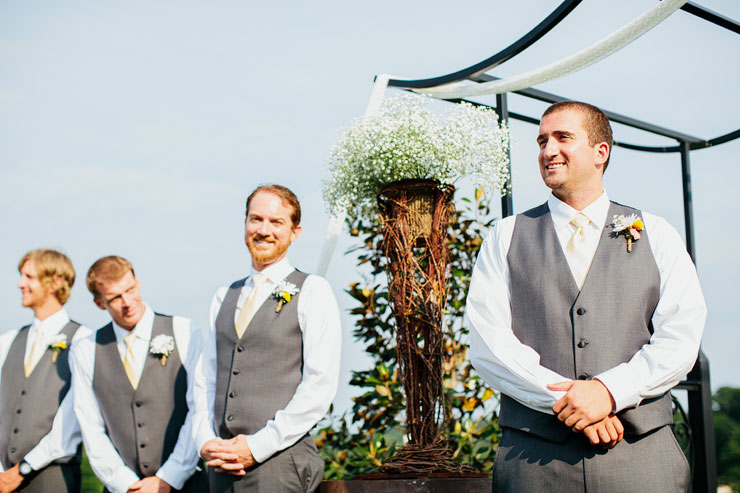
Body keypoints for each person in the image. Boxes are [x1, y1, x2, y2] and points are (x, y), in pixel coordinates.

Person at [467, 101, 706, 492]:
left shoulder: (656, 232)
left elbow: (681, 336)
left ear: (601, 152)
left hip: (641, 457)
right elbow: (489, 344)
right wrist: (574, 404)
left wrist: (610, 392)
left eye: (563, 137)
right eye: (542, 140)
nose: (547, 150)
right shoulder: (505, 236)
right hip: (535, 462)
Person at [193, 184, 341, 493]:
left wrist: (257, 446)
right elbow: (206, 380)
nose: (263, 230)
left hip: (279, 466)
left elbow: (320, 385)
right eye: (255, 219)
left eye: (276, 222)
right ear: (245, 223)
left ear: (295, 232)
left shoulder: (313, 290)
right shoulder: (224, 295)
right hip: (221, 469)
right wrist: (205, 441)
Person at [70, 256, 206, 493]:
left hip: (188, 484)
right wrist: (126, 485)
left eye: (130, 289)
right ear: (99, 303)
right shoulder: (86, 349)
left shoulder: (185, 331)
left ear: (138, 282)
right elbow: (91, 426)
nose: (127, 302)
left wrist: (169, 477)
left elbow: (199, 410)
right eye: (114, 298)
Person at [0, 249, 85, 493]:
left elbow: (73, 418)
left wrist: (23, 469)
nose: (20, 284)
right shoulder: (8, 341)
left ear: (55, 282)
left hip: (53, 479)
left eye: (29, 277)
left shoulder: (83, 340)